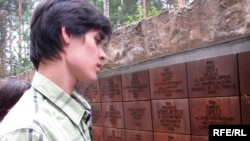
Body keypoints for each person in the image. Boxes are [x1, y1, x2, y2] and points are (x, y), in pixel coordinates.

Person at [0, 0, 112, 140]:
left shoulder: (73, 110)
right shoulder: (30, 131)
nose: (103, 55)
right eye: (96, 40)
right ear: (67, 34)